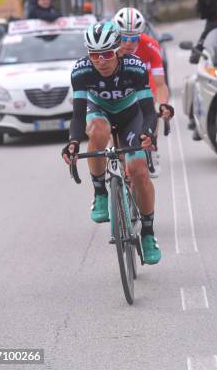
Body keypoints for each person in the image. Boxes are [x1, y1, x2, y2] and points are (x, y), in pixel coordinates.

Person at [61, 21, 162, 265]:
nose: (100, 61)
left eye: (106, 54)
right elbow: (77, 115)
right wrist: (73, 142)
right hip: (101, 113)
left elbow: (149, 111)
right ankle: (100, 193)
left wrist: (148, 133)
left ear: (118, 50)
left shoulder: (134, 67)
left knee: (138, 171)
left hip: (131, 116)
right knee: (97, 129)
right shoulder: (81, 71)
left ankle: (148, 234)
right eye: (94, 55)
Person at [113, 7, 174, 178]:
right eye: (124, 38)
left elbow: (160, 84)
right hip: (118, 89)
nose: (128, 43)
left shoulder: (150, 45)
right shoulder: (109, 49)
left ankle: (152, 151)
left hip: (143, 86)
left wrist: (163, 104)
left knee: (151, 108)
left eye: (134, 38)